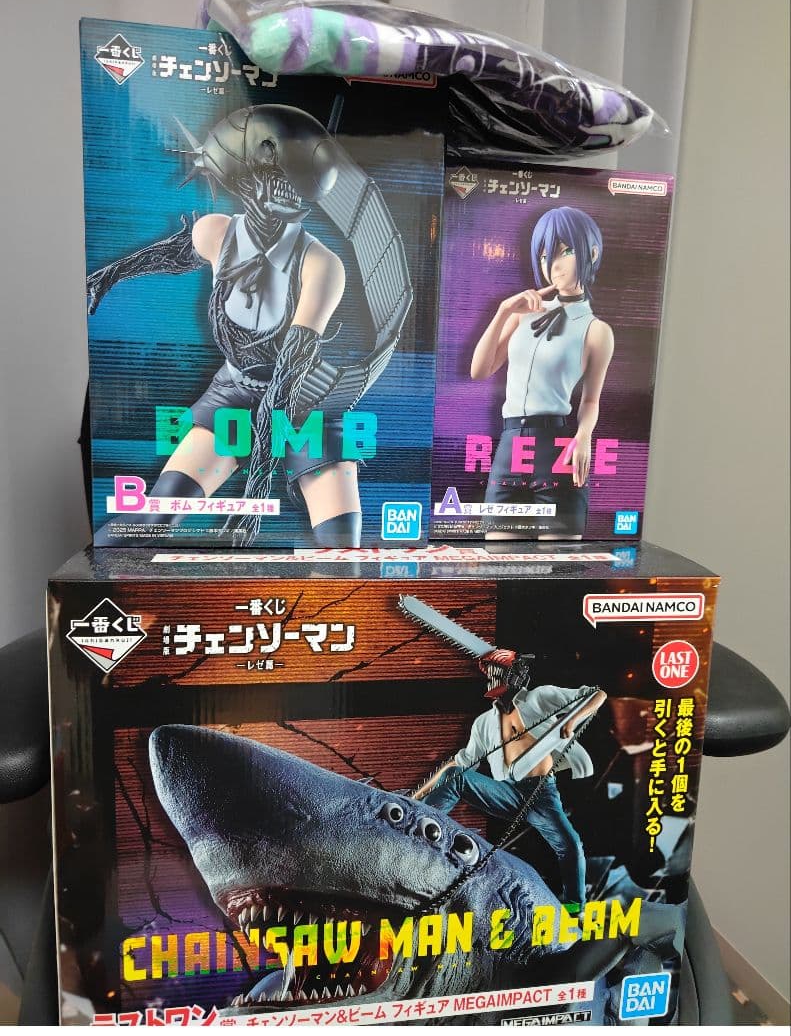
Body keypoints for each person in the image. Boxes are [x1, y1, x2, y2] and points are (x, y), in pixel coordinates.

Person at [88, 104, 410, 548]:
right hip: (235, 390)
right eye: (274, 177)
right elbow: (168, 255)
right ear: (244, 177)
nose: (287, 192)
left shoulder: (320, 264)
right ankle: (92, 576)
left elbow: (288, 376)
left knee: (341, 546)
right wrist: (106, 276)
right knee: (154, 515)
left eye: (295, 183)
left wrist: (256, 489)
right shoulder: (216, 233)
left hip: (306, 402)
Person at [415, 649, 607, 912]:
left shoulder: (540, 698)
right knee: (455, 777)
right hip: (508, 792)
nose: (491, 680)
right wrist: (415, 798)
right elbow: (458, 763)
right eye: (489, 675)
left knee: (570, 845)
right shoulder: (483, 723)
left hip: (541, 794)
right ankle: (416, 829)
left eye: (497, 673)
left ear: (515, 676)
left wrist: (572, 721)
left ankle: (575, 907)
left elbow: (598, 694)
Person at [470, 206, 614, 539]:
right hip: (510, 446)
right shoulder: (523, 313)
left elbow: (591, 400)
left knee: (558, 560)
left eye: (566, 251)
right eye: (546, 255)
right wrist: (503, 310)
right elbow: (479, 370)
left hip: (556, 448)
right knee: (498, 557)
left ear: (592, 254)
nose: (554, 265)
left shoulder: (597, 331)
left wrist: (584, 437)